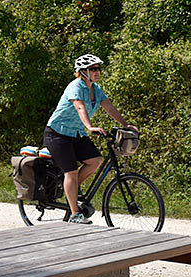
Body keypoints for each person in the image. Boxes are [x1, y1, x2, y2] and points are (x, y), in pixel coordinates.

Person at [43, 53, 137, 224]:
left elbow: (109, 108)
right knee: (70, 172)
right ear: (83, 71)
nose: (97, 71)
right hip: (57, 134)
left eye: (98, 68)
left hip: (76, 134)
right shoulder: (75, 86)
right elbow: (79, 108)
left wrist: (126, 125)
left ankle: (71, 188)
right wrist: (90, 127)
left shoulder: (96, 89)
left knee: (95, 160)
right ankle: (74, 214)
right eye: (93, 69)